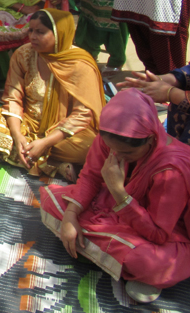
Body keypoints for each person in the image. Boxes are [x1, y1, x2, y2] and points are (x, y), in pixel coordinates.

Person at [40, 88, 190, 304]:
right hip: (115, 207)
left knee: (147, 262)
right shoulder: (110, 139)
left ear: (150, 139)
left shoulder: (171, 169)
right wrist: (71, 215)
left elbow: (158, 233)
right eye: (111, 148)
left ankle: (111, 256)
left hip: (163, 231)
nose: (116, 156)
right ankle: (109, 256)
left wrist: (119, 192)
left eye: (127, 154)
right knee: (51, 203)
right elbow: (90, 177)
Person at [0, 10, 106, 182]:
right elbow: (12, 99)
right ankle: (53, 164)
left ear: (59, 34)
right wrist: (17, 135)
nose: (32, 36)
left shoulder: (80, 64)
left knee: (91, 148)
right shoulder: (23, 54)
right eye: (30, 30)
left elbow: (82, 115)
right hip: (27, 124)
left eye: (40, 32)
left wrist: (46, 142)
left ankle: (11, 153)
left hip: (63, 133)